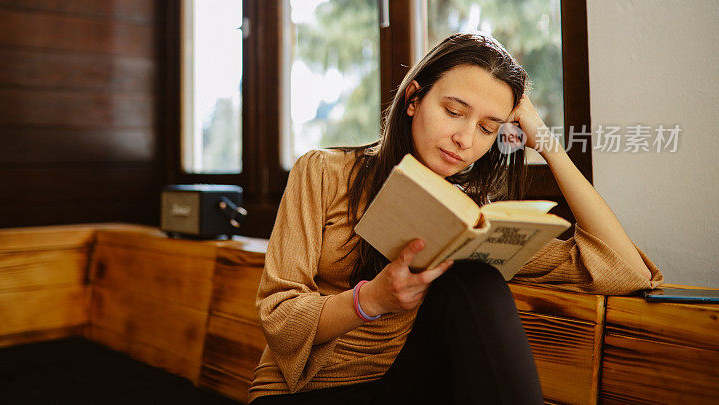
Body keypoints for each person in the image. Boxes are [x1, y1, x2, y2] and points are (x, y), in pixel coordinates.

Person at [248, 33, 663, 404]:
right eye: (453, 111)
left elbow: (623, 270)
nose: (465, 139)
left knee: (475, 277)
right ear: (413, 100)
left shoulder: (473, 221)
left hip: (408, 385)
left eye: (487, 128)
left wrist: (546, 141)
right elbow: (278, 318)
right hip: (304, 390)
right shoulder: (324, 172)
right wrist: (371, 300)